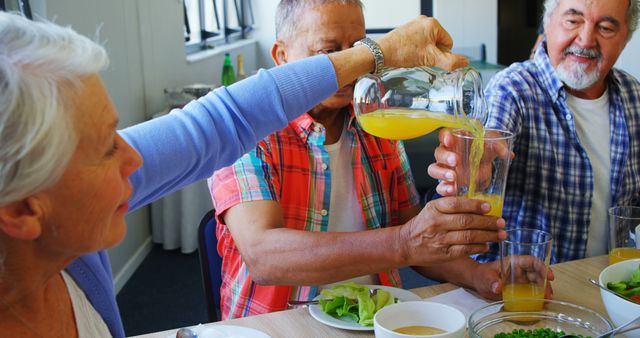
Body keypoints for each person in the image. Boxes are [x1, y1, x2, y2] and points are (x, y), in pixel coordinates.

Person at [0, 10, 472, 338]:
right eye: (106, 148)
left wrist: (379, 52)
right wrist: (405, 241)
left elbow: (220, 122)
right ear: (24, 210)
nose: (134, 160)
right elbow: (265, 251)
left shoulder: (68, 250)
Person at [208, 0, 518, 320]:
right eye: (328, 51)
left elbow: (416, 237)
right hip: (278, 325)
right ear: (281, 56)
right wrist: (404, 242)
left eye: (358, 50)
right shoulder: (246, 129)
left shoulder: (375, 122)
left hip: (374, 321)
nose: (350, 66)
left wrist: (480, 275)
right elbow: (264, 257)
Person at [428, 0, 640, 263]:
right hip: (525, 287)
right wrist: (476, 167)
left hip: (609, 285)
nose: (586, 40)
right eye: (573, 21)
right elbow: (493, 136)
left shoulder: (633, 95)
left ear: (625, 38)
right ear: (548, 24)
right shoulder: (513, 88)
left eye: (606, 27)